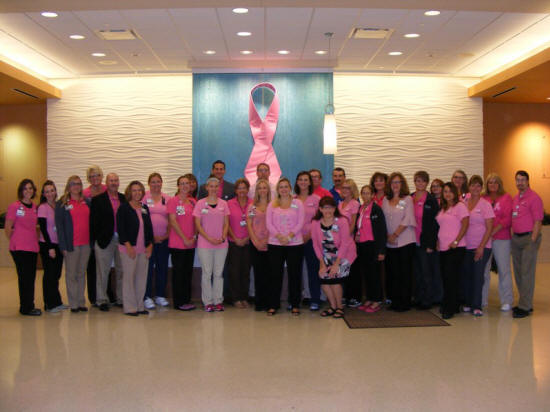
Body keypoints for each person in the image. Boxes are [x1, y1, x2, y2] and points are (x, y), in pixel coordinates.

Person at [311, 196, 357, 318]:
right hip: (326, 255)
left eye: (330, 207)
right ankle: (332, 306)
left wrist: (336, 264)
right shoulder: (315, 223)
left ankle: (339, 307)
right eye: (325, 208)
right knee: (323, 276)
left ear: (335, 208)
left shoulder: (342, 221)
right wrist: (321, 263)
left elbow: (345, 243)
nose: (328, 210)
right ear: (320, 209)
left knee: (334, 277)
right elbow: (315, 244)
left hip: (344, 254)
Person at [266, 177, 305, 316]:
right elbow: (269, 223)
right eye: (281, 187)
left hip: (295, 243)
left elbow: (300, 222)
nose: (283, 189)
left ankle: (295, 304)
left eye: (286, 186)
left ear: (290, 188)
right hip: (275, 243)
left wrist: (289, 237)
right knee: (275, 275)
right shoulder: (272, 204)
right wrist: (279, 237)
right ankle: (273, 304)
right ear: (277, 189)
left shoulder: (298, 203)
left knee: (294, 274)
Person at [117, 181, 154, 316]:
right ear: (129, 192)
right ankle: (130, 307)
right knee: (129, 278)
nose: (137, 193)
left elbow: (149, 228)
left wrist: (150, 245)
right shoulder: (124, 208)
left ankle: (139, 305)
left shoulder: (144, 207)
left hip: (143, 249)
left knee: (141, 278)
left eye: (139, 190)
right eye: (134, 190)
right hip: (129, 248)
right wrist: (128, 246)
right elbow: (121, 229)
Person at [90, 173, 126, 311]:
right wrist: (96, 240)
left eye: (116, 180)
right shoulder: (98, 200)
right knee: (102, 271)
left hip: (121, 240)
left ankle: (120, 298)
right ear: (106, 182)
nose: (114, 183)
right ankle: (101, 300)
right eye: (111, 180)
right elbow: (93, 222)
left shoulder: (124, 198)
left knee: (121, 270)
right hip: (104, 240)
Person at [55, 175, 91, 313]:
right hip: (71, 245)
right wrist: (63, 246)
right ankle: (74, 303)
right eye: (73, 184)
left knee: (81, 273)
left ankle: (81, 302)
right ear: (68, 186)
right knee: (71, 274)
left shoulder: (87, 201)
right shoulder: (62, 203)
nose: (76, 186)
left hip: (86, 244)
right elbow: (59, 226)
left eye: (78, 184)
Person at [193, 177, 230, 312]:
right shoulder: (200, 204)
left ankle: (218, 301)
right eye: (211, 186)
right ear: (207, 187)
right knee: (207, 273)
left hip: (221, 244)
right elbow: (198, 225)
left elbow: (226, 223)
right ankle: (208, 302)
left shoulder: (223, 204)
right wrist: (209, 238)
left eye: (216, 186)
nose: (213, 189)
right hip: (205, 244)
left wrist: (223, 237)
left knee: (218, 273)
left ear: (219, 188)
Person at [5, 179, 41, 316]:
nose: (28, 191)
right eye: (25, 188)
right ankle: (26, 308)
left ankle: (29, 305)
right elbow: (8, 228)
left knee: (30, 278)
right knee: (24, 277)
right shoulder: (15, 206)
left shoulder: (34, 207)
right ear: (21, 191)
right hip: (19, 248)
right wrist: (16, 240)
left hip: (32, 247)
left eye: (30, 188)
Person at [511, 170, 544, 318]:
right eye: (518, 180)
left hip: (529, 239)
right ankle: (525, 302)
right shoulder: (515, 198)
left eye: (523, 180)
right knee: (518, 272)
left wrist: (533, 239)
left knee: (527, 273)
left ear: (528, 181)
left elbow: (538, 221)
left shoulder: (534, 198)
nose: (520, 183)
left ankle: (524, 307)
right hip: (516, 239)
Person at [382, 172, 416, 312]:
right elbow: (382, 220)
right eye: (393, 182)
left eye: (398, 182)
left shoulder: (407, 199)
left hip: (405, 241)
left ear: (402, 184)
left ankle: (405, 303)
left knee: (404, 273)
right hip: (389, 242)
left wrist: (395, 234)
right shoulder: (385, 200)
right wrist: (387, 236)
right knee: (393, 273)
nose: (395, 185)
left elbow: (407, 219)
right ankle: (395, 301)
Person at [436, 182, 469, 319]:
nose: (447, 194)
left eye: (450, 191)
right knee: (446, 277)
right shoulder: (443, 208)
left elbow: (465, 224)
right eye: (445, 191)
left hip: (456, 247)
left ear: (455, 192)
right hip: (443, 247)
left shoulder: (460, 206)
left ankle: (449, 308)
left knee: (451, 278)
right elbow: (442, 227)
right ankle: (452, 304)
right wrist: (438, 241)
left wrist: (456, 241)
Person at [463, 175, 494, 316]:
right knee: (467, 275)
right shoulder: (464, 201)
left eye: (478, 185)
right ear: (469, 187)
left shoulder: (485, 205)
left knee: (478, 276)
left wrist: (481, 247)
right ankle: (468, 302)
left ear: (481, 188)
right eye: (473, 185)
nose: (475, 188)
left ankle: (477, 305)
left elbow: (489, 228)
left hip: (482, 246)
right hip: (466, 245)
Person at [481, 173, 514, 311]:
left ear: (499, 184)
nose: (493, 185)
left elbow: (507, 219)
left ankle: (506, 300)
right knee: (484, 270)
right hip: (485, 239)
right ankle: (482, 300)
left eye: (495, 182)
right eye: (490, 182)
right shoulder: (483, 198)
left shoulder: (506, 197)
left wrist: (492, 232)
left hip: (502, 238)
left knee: (503, 270)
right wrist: (487, 234)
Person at [167, 175, 197, 311]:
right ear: (178, 186)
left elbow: (196, 221)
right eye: (182, 183)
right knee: (178, 273)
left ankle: (186, 300)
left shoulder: (193, 202)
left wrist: (194, 237)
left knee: (187, 273)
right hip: (178, 243)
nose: (185, 186)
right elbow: (173, 221)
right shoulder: (173, 201)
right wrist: (184, 238)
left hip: (191, 243)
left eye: (187, 183)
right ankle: (179, 302)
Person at [356, 185, 387, 313]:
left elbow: (381, 231)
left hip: (373, 245)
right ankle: (369, 297)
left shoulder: (376, 209)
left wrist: (381, 250)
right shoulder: (361, 208)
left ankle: (377, 300)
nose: (365, 195)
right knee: (367, 274)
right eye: (363, 193)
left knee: (375, 274)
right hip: (362, 245)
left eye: (368, 193)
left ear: (372, 195)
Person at [142, 173, 171, 310]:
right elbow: (141, 218)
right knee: (147, 269)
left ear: (162, 183)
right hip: (148, 240)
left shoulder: (167, 198)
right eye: (153, 182)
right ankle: (147, 296)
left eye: (158, 181)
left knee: (162, 268)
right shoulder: (144, 197)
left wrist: (165, 235)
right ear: (149, 183)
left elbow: (171, 219)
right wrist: (151, 237)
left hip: (164, 240)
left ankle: (160, 295)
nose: (156, 184)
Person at [411, 171, 440, 310]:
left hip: (425, 242)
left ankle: (427, 300)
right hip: (411, 241)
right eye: (418, 180)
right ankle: (418, 297)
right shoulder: (409, 198)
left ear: (427, 183)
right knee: (416, 273)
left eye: (423, 181)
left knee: (426, 273)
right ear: (414, 182)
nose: (420, 183)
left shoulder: (431, 200)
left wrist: (431, 244)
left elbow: (435, 224)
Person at [38, 180, 66, 312]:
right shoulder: (43, 207)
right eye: (47, 191)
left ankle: (57, 302)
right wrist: (50, 248)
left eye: (52, 190)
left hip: (58, 244)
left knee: (56, 274)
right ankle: (49, 304)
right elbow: (43, 229)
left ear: (55, 191)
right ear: (43, 194)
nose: (50, 193)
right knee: (49, 275)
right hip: (47, 245)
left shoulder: (58, 205)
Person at [294, 171, 321, 311]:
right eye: (300, 179)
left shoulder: (316, 199)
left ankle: (315, 299)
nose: (303, 182)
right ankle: (295, 301)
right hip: (295, 240)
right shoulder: (292, 199)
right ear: (297, 182)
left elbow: (319, 221)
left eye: (306, 180)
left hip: (311, 239)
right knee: (295, 271)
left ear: (310, 182)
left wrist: (309, 235)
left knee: (313, 270)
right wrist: (297, 236)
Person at [83, 165, 107, 306]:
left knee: (105, 267)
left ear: (102, 176)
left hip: (105, 233)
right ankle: (93, 297)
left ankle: (105, 295)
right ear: (88, 178)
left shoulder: (107, 190)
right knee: (92, 267)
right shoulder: (84, 194)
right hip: (90, 233)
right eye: (92, 176)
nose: (95, 178)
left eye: (97, 175)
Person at [227, 178, 253, 308]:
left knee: (246, 271)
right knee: (234, 271)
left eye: (244, 188)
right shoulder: (229, 203)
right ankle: (236, 298)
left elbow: (255, 224)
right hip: (233, 242)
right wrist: (235, 238)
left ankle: (244, 297)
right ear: (236, 190)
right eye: (239, 188)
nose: (242, 190)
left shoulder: (253, 203)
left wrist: (247, 238)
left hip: (248, 242)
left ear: (248, 190)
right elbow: (226, 224)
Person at [247, 178, 271, 311]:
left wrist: (266, 240)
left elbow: (275, 225)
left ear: (268, 190)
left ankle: (269, 301)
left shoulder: (273, 206)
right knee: (258, 273)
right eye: (260, 188)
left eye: (264, 188)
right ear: (256, 191)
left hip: (270, 243)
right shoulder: (252, 207)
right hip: (255, 244)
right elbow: (249, 224)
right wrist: (255, 241)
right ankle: (259, 301)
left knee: (269, 273)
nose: (262, 190)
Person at [338, 179, 361, 307]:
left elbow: (353, 223)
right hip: (340, 242)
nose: (345, 190)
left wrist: (346, 238)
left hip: (349, 241)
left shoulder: (354, 203)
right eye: (343, 188)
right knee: (343, 270)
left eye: (348, 188)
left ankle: (354, 297)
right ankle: (345, 296)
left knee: (352, 271)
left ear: (352, 190)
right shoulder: (340, 204)